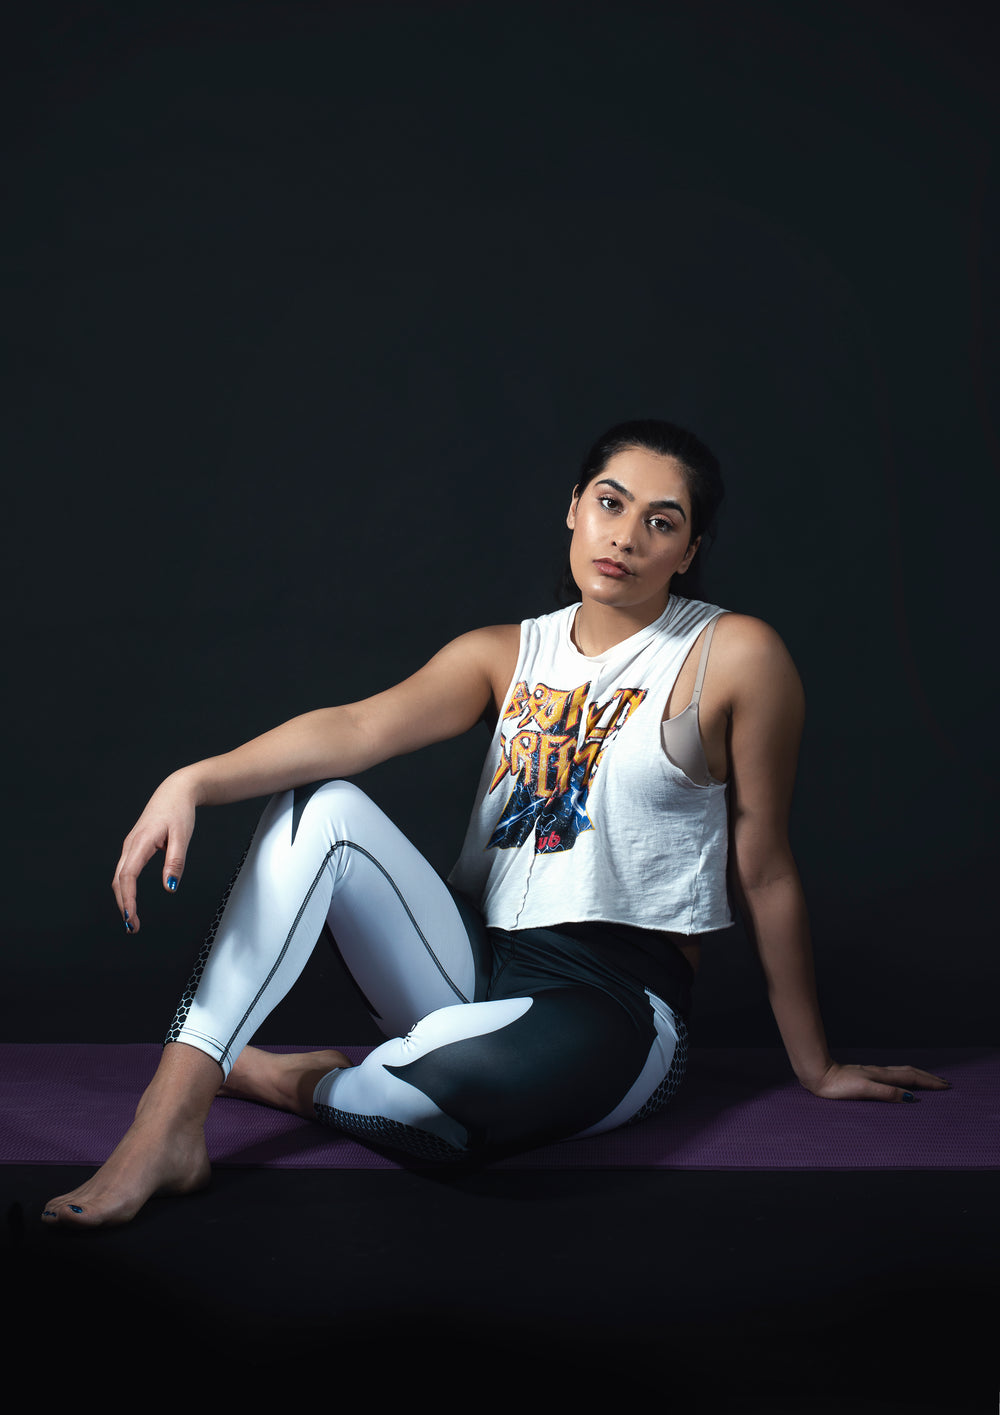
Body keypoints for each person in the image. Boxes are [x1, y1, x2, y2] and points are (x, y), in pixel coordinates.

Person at [42, 419, 948, 1227]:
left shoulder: (733, 654)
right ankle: (169, 1121)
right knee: (322, 805)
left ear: (688, 548)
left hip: (615, 1000)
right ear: (573, 511)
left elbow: (766, 869)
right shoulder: (508, 652)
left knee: (449, 1109)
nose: (626, 536)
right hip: (476, 959)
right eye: (610, 502)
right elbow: (357, 728)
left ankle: (289, 1075)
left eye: (660, 522)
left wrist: (815, 1066)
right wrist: (192, 779)